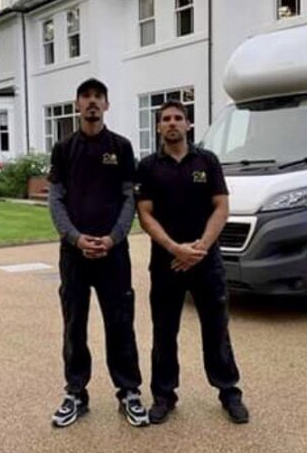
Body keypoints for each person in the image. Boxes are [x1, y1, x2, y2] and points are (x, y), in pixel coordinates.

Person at [135, 100, 249, 424]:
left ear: (188, 125)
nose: (172, 123)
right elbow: (145, 214)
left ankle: (229, 392)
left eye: (178, 118)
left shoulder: (208, 161)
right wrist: (175, 249)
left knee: (216, 329)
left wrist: (198, 249)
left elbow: (221, 207)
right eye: (165, 119)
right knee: (164, 332)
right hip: (166, 264)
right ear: (158, 127)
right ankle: (163, 396)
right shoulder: (147, 167)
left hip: (206, 262)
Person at [47, 78, 148, 428]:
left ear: (107, 105)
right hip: (74, 255)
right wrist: (74, 238)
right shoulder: (63, 149)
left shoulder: (121, 147)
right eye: (86, 97)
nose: (92, 103)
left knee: (120, 323)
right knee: (74, 325)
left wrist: (113, 237)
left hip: (113, 253)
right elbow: (56, 199)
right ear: (77, 104)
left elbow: (128, 198)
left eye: (98, 97)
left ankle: (130, 392)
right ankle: (76, 392)